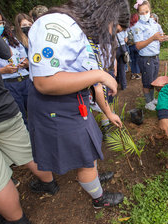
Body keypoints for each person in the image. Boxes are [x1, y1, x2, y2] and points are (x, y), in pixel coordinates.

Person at [28, 0, 130, 208]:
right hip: (57, 107)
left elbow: (93, 83)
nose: (111, 36)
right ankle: (99, 199)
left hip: (77, 103)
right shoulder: (56, 25)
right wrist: (101, 74)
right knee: (85, 157)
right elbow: (44, 81)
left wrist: (108, 113)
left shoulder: (84, 34)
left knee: (89, 148)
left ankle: (91, 176)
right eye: (114, 29)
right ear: (105, 15)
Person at [0, 10, 58, 224]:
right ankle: (50, 183)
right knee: (27, 151)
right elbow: (3, 50)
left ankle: (16, 220)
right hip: (2, 105)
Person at [0, 2, 30, 127]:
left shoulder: (12, 39)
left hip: (25, 81)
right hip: (8, 85)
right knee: (20, 120)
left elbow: (25, 57)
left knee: (36, 114)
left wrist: (25, 63)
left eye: (0, 22)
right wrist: (3, 70)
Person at [132, 0, 168, 111]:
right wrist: (153, 38)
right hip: (146, 58)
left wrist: (167, 38)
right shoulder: (137, 27)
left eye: (146, 11)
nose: (144, 14)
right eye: (141, 13)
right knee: (147, 82)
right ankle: (148, 102)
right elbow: (138, 46)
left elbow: (160, 37)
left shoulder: (154, 23)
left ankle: (152, 100)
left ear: (150, 10)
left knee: (153, 81)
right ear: (138, 14)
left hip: (155, 57)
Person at [127, 13, 141, 80]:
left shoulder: (128, 27)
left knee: (132, 60)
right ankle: (137, 74)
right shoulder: (138, 26)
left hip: (130, 45)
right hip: (137, 45)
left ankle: (133, 74)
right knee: (137, 59)